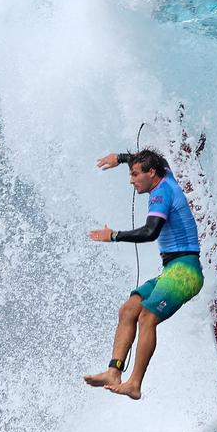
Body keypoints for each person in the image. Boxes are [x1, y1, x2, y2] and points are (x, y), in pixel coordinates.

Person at [84, 148, 204, 400]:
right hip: (171, 269)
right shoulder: (165, 174)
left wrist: (114, 236)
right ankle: (113, 372)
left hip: (186, 271)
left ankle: (134, 384)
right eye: (130, 174)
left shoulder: (161, 194)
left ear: (151, 173)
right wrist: (120, 158)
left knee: (147, 316)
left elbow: (151, 232)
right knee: (128, 310)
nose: (131, 180)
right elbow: (143, 160)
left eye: (135, 174)